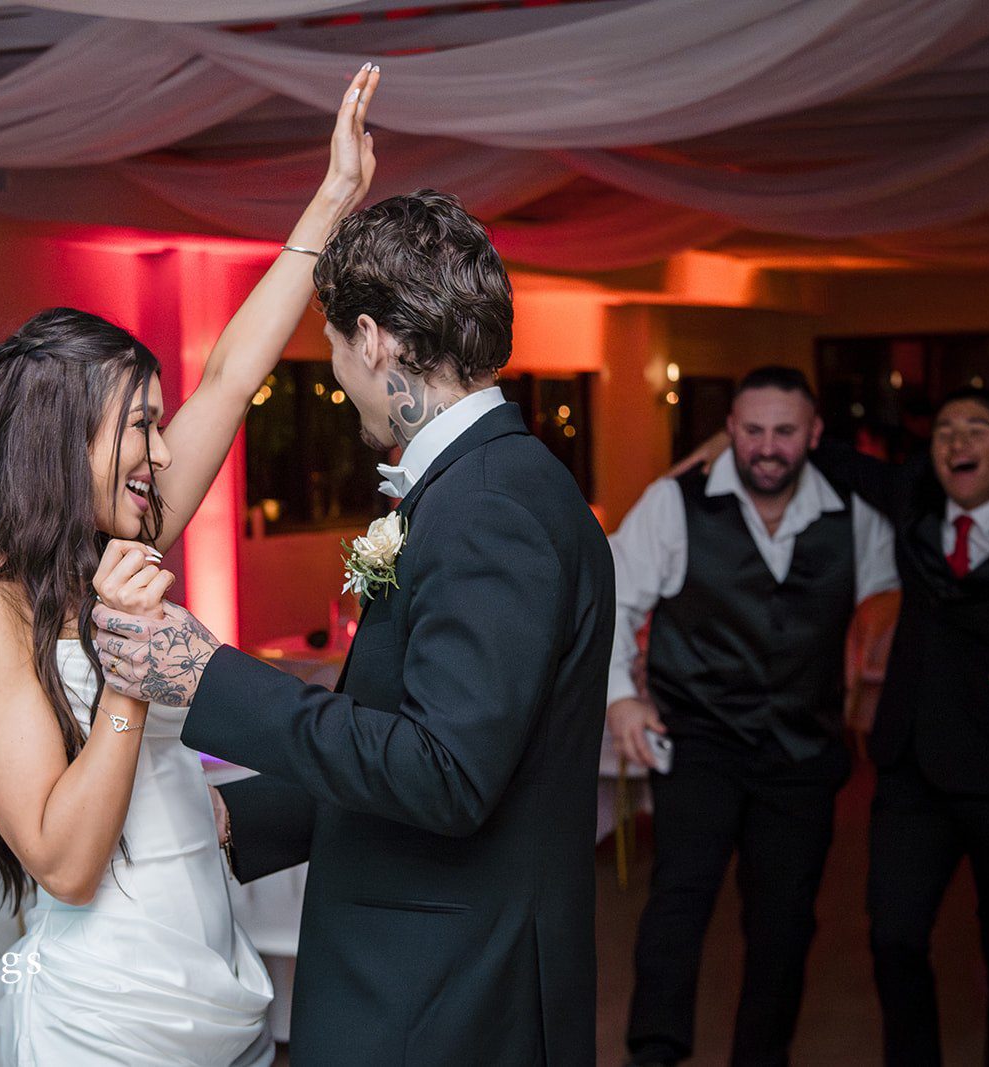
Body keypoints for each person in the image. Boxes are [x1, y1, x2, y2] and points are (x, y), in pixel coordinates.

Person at [0, 67, 381, 1065]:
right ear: (60, 442)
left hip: (205, 959)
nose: (165, 452)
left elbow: (230, 376)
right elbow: (66, 857)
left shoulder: (111, 550)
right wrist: (130, 674)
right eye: (139, 426)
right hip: (105, 1006)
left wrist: (334, 196)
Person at [92, 189, 615, 1065]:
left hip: (445, 994)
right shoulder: (487, 485)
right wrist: (237, 814)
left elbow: (445, 774)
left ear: (372, 338)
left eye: (334, 345)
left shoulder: (489, 506)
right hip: (443, 973)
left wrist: (209, 674)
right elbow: (420, 736)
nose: (337, 378)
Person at [607, 367, 898, 1067]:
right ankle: (655, 1052)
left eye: (786, 431)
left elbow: (896, 598)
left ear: (815, 435)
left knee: (784, 925)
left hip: (802, 750)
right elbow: (615, 600)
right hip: (698, 736)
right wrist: (622, 694)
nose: (769, 447)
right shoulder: (673, 504)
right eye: (755, 430)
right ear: (730, 430)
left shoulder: (857, 516)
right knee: (679, 898)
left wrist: (866, 668)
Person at [801, 388, 989, 1065]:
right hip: (914, 773)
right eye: (945, 433)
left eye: (977, 429)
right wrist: (737, 439)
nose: (958, 442)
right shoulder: (913, 505)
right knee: (894, 938)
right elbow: (835, 458)